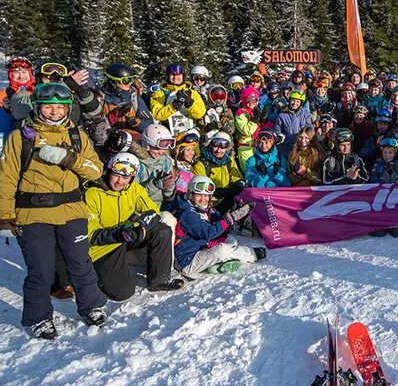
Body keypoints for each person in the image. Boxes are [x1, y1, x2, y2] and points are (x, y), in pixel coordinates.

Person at [0, 82, 108, 339]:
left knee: (80, 263)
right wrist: (4, 216)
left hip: (71, 209)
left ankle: (91, 305)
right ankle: (38, 316)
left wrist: (69, 159)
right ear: (38, 107)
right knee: (41, 270)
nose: (54, 112)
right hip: (33, 212)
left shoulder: (77, 136)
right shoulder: (20, 137)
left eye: (59, 107)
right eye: (48, 107)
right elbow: (6, 179)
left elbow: (96, 170)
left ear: (68, 108)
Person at [86, 152, 185, 300]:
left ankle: (159, 280)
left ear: (132, 178)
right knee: (123, 293)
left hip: (128, 240)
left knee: (162, 230)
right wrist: (120, 233)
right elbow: (91, 235)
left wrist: (141, 225)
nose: (120, 181)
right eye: (116, 175)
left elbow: (153, 212)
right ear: (109, 171)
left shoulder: (134, 189)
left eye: (126, 177)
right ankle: (98, 274)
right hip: (104, 249)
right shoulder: (92, 194)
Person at [173, 176, 265, 276]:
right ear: (191, 194)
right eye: (199, 195)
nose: (203, 199)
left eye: (206, 196)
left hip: (200, 247)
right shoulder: (186, 214)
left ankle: (216, 265)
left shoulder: (202, 208)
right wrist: (229, 220)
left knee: (230, 240)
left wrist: (230, 217)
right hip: (187, 261)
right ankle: (253, 254)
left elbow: (221, 226)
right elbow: (208, 233)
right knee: (222, 250)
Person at [193, 131, 244, 213]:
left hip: (227, 199)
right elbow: (201, 187)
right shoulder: (202, 164)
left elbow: (237, 177)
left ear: (227, 148)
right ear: (211, 145)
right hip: (210, 201)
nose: (218, 150)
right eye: (215, 146)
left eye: (223, 147)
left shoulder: (229, 161)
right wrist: (217, 192)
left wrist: (239, 183)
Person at [129, 123, 177, 209]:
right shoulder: (135, 163)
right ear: (147, 145)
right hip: (137, 209)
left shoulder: (166, 162)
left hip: (158, 207)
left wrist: (169, 188)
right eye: (157, 148)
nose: (161, 152)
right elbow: (131, 193)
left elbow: (168, 197)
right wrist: (155, 186)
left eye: (164, 148)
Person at [149, 62, 207, 132]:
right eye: (172, 75)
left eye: (178, 75)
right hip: (167, 131)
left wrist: (191, 104)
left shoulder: (192, 92)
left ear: (183, 76)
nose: (175, 77)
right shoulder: (160, 94)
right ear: (168, 76)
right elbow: (157, 115)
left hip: (189, 131)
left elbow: (200, 113)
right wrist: (173, 107)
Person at [370, 138, 398, 237]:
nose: (387, 155)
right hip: (381, 201)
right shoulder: (377, 165)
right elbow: (372, 182)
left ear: (396, 153)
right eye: (385, 152)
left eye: (390, 153)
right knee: (378, 233)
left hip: (396, 202)